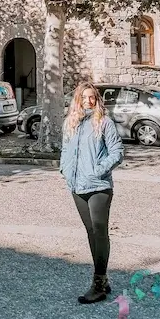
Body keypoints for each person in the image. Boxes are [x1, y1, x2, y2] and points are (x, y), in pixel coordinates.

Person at [59, 81, 124, 304]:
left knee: (99, 231)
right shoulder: (70, 123)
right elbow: (65, 150)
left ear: (96, 99)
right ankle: (102, 279)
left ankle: (98, 282)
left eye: (92, 97)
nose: (88, 101)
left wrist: (98, 170)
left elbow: (117, 152)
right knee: (90, 232)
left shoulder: (104, 122)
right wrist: (65, 170)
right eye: (84, 97)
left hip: (99, 187)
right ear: (78, 100)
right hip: (77, 186)